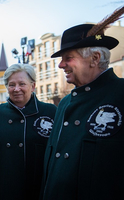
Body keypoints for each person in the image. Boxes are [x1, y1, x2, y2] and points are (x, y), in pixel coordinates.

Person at [40, 20, 124, 199]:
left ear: (95, 59)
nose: (61, 65)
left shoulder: (121, 94)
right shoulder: (64, 103)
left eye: (68, 58)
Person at [0, 63, 57, 200]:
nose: (16, 89)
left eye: (22, 84)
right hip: (4, 192)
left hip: (39, 192)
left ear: (33, 86)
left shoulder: (50, 112)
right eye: (11, 85)